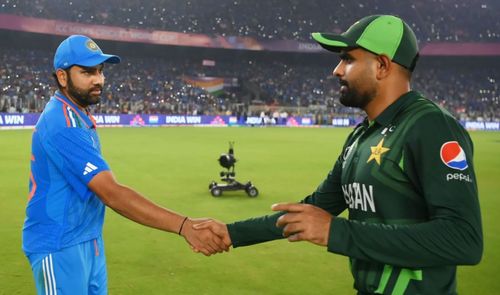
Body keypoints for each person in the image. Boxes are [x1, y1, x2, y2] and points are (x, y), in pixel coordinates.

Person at [194, 15, 483, 294]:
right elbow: (314, 208)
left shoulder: (430, 126)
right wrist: (232, 233)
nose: (336, 70)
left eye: (348, 59)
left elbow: (464, 239)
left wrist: (337, 232)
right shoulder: (360, 136)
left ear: (382, 65)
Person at [22, 35, 227, 295]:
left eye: (100, 71)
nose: (98, 79)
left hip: (87, 238)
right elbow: (111, 193)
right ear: (62, 77)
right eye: (87, 72)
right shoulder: (62, 124)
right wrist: (184, 225)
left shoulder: (78, 113)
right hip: (59, 245)